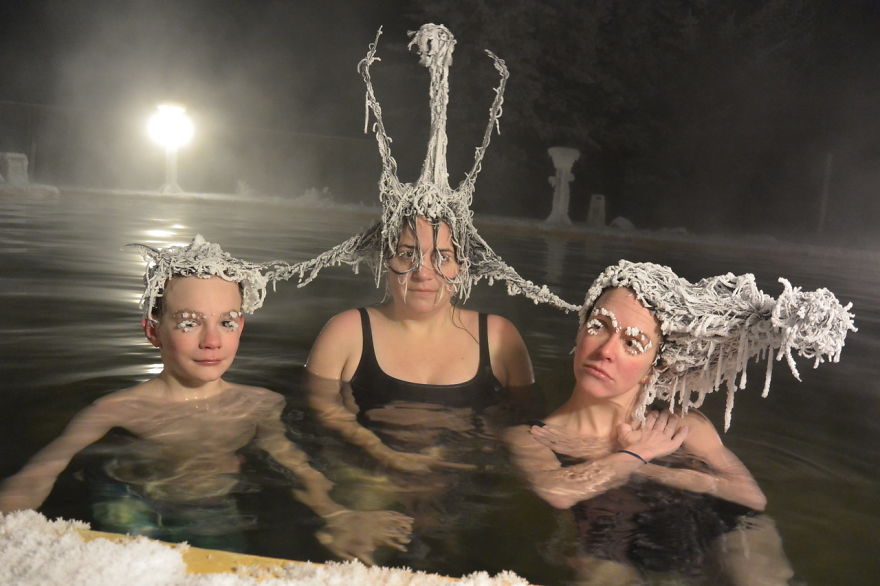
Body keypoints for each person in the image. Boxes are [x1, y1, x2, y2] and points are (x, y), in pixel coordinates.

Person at [0, 235, 412, 564]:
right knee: (129, 557)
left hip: (212, 507)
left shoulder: (260, 405)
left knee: (224, 559)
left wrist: (338, 514)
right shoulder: (116, 409)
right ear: (152, 330)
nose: (212, 341)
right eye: (189, 322)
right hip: (132, 499)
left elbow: (295, 465)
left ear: (241, 327)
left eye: (226, 322)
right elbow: (44, 469)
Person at [505, 260, 856, 584]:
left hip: (717, 527)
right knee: (603, 574)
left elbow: (751, 497)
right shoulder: (532, 436)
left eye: (632, 343)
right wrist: (636, 454)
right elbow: (557, 492)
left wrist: (651, 468)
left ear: (656, 367)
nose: (606, 351)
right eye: (599, 326)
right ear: (580, 330)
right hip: (609, 533)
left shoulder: (685, 427)